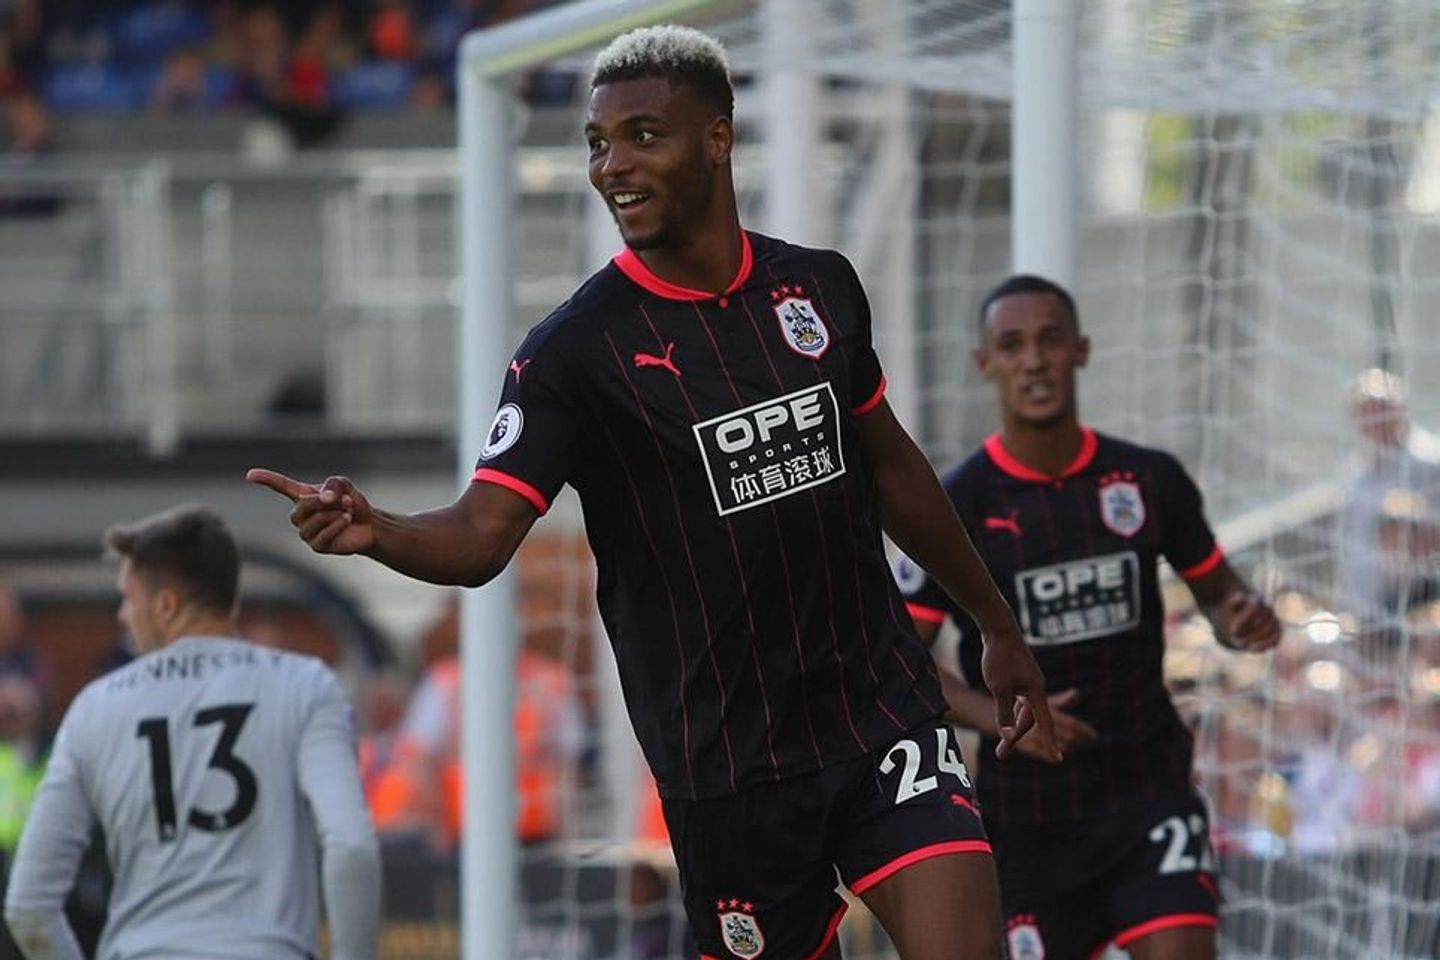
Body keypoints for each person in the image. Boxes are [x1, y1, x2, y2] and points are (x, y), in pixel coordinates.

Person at [248, 25, 1057, 960]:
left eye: (643, 135)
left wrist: (995, 623)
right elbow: (480, 536)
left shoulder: (818, 287)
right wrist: (377, 529)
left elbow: (892, 469)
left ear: (718, 137)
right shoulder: (573, 354)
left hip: (880, 715)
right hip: (728, 774)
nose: (613, 165)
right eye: (597, 142)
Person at [895, 274, 1283, 960]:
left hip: (1147, 795)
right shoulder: (954, 504)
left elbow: (1221, 598)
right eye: (1012, 345)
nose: (1034, 360)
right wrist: (997, 716)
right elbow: (901, 659)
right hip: (1029, 823)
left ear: (1081, 350)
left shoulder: (1147, 480)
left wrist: (1242, 618)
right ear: (985, 364)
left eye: (1049, 341)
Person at [2, 505, 380, 960]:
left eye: (128, 598)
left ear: (165, 605)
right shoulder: (305, 686)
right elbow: (352, 847)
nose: (123, 615)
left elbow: (29, 905)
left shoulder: (96, 707)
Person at [1335, 368, 1440, 648]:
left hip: (1418, 603)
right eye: (1366, 413)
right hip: (1366, 608)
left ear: (1400, 409)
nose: (1374, 420)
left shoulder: (1429, 462)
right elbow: (1351, 547)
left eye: (1381, 409)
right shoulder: (1356, 472)